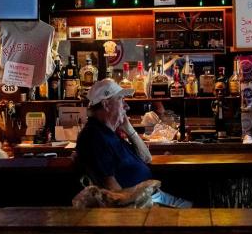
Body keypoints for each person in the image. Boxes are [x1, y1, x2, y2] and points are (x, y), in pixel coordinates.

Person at [75, 78, 192, 207]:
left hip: (149, 196)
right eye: (121, 100)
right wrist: (144, 206)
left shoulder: (108, 132)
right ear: (106, 104)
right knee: (194, 209)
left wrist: (128, 128)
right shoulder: (95, 137)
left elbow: (146, 158)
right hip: (142, 203)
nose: (127, 106)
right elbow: (113, 192)